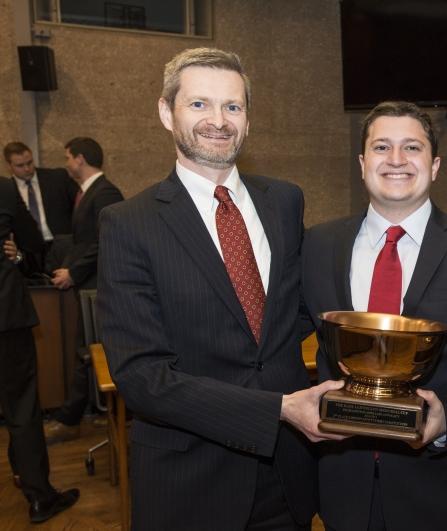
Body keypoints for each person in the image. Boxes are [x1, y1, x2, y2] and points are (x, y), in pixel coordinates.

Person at [96, 47, 344, 530]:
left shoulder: (285, 201)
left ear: (248, 120)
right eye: (199, 105)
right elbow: (141, 377)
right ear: (166, 112)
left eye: (233, 106)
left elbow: (289, 316)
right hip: (190, 481)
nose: (219, 120)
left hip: (289, 476)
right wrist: (276, 408)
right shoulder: (128, 223)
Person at [302, 101, 447, 531]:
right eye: (382, 147)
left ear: (434, 165)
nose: (396, 160)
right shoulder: (316, 244)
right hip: (345, 487)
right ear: (363, 163)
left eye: (412, 148)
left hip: (443, 488)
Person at [0, 178, 80, 523]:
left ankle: (22, 473)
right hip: (4, 314)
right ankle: (38, 495)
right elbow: (33, 240)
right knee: (21, 405)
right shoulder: (3, 188)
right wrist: (16, 253)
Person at [44, 137, 124, 444]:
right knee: (85, 350)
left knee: (89, 352)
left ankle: (70, 418)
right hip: (87, 286)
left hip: (98, 287)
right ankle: (72, 416)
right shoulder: (87, 194)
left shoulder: (106, 193)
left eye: (68, 157)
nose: (66, 164)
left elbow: (106, 241)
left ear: (80, 159)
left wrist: (74, 271)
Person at [3, 141, 79, 270]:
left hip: (62, 247)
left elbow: (80, 204)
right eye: (20, 165)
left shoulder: (57, 177)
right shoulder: (7, 191)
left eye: (29, 162)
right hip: (29, 255)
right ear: (9, 166)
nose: (27, 168)